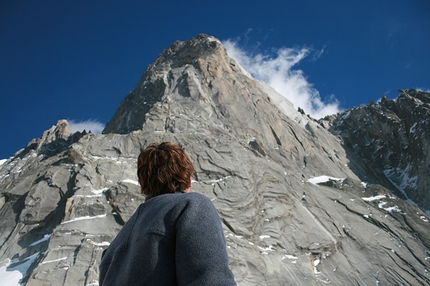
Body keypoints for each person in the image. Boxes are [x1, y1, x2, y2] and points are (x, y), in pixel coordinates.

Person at [99, 142, 236, 285]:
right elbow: (210, 280)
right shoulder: (191, 206)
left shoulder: (114, 247)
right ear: (188, 180)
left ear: (144, 184)